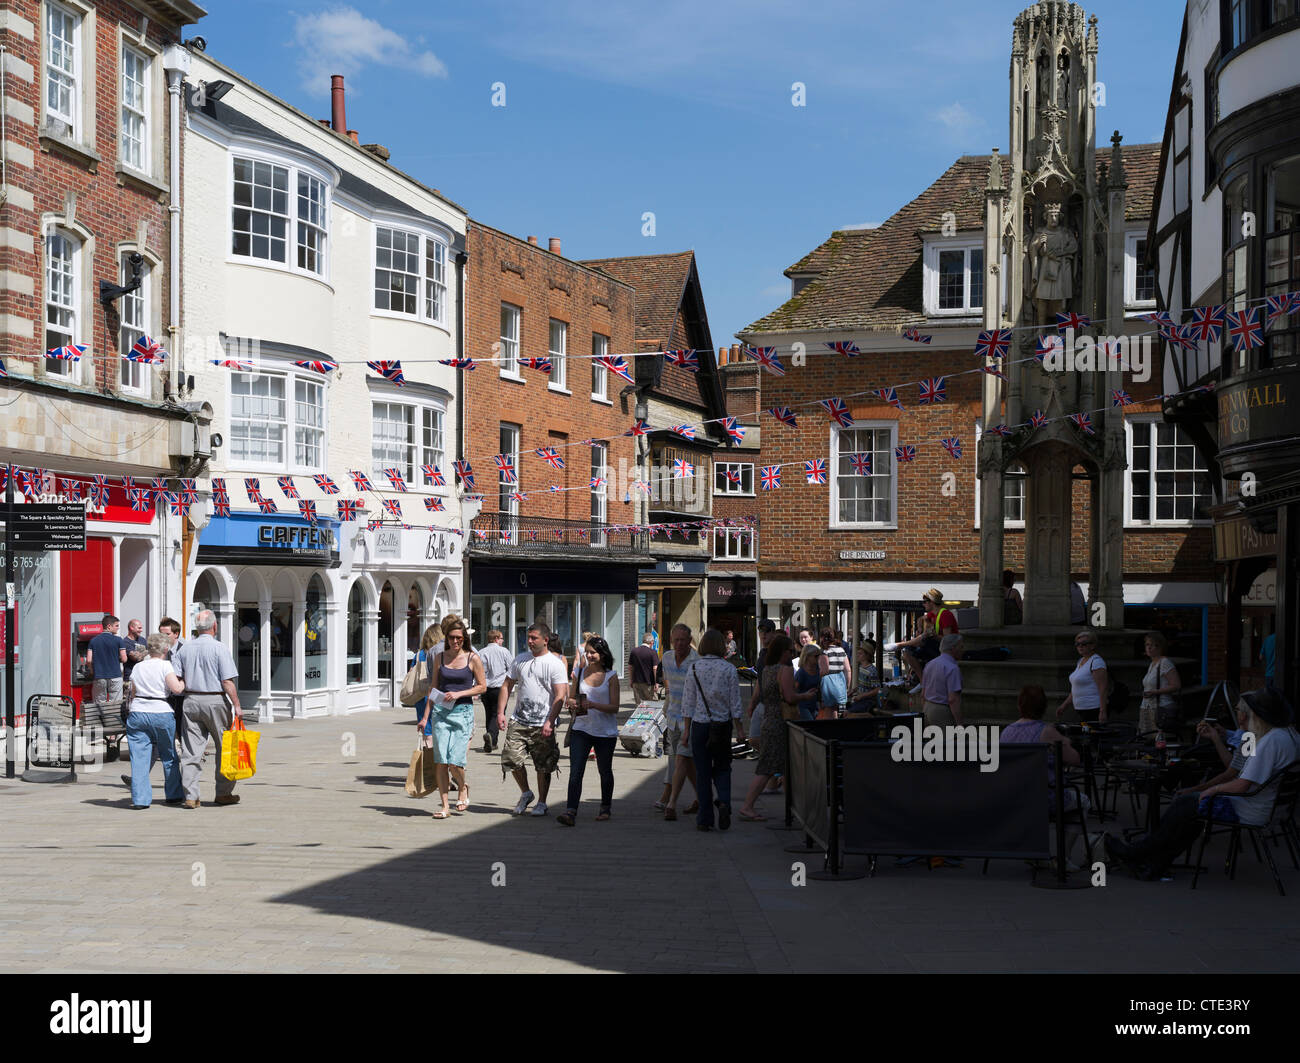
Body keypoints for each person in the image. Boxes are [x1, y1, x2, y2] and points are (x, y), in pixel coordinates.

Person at [1105, 689, 1300, 880]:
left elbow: (1240, 784)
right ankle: (1154, 863)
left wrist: (1212, 790)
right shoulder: (1289, 735)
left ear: (1255, 715)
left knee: (1187, 805)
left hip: (1249, 808)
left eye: (1240, 711)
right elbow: (1237, 771)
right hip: (1273, 808)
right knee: (1192, 810)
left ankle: (1137, 853)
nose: (1238, 714)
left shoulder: (1269, 742)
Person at [171, 609, 243, 808]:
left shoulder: (184, 649)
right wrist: (236, 705)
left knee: (191, 750)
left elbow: (177, 678)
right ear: (215, 626)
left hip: (191, 699)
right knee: (225, 748)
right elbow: (227, 681)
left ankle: (191, 796)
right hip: (215, 700)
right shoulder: (220, 648)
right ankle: (223, 793)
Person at [497, 623, 569, 817]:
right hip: (519, 719)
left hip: (543, 722)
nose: (529, 641)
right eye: (528, 637)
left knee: (543, 764)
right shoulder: (520, 660)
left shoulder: (555, 664)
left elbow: (560, 695)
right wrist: (500, 712)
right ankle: (526, 792)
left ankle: (542, 802)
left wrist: (550, 721)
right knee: (511, 758)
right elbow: (506, 686)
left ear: (545, 640)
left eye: (534, 638)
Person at [681, 629, 745, 831]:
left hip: (700, 726)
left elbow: (688, 702)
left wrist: (685, 730)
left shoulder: (693, 668)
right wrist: (740, 729)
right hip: (722, 726)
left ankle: (705, 818)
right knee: (723, 767)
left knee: (703, 772)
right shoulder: (729, 669)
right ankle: (724, 801)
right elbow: (735, 702)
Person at [423, 615, 486, 819]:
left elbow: (482, 686)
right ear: (446, 637)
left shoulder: (472, 658)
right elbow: (433, 688)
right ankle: (444, 806)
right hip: (441, 713)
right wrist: (425, 718)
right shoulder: (439, 657)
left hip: (462, 713)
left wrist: (460, 693)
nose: (455, 641)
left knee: (455, 762)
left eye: (459, 637)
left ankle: (462, 787)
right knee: (441, 761)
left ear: (464, 638)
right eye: (451, 637)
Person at [557, 636, 621, 826]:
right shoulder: (579, 671)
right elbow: (572, 697)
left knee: (605, 771)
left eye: (593, 652)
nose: (589, 655)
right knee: (575, 771)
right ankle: (570, 811)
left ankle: (605, 808)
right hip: (581, 728)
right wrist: (571, 703)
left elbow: (615, 707)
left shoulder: (611, 676)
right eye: (588, 652)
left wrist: (593, 704)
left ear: (602, 654)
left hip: (605, 732)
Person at [737, 635, 799, 822]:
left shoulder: (767, 669)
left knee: (783, 766)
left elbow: (758, 691)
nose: (792, 654)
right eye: (790, 651)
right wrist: (805, 695)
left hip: (769, 719)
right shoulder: (785, 670)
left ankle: (794, 808)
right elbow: (789, 697)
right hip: (780, 721)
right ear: (783, 652)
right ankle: (748, 806)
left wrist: (752, 705)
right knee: (767, 768)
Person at [123, 633, 186, 809]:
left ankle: (140, 799)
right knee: (169, 755)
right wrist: (184, 681)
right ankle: (173, 794)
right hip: (161, 711)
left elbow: (133, 692)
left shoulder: (138, 667)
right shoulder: (166, 666)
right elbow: (176, 689)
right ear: (166, 649)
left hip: (138, 711)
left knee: (139, 758)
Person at [658, 624, 700, 821]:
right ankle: (703, 797)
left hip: (690, 719)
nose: (680, 644)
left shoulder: (696, 661)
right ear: (671, 641)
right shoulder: (666, 658)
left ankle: (671, 803)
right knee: (686, 763)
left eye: (683, 640)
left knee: (680, 759)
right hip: (672, 716)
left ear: (690, 639)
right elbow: (668, 683)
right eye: (676, 640)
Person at [894, 591, 958, 693]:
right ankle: (923, 681)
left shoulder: (945, 615)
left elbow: (948, 640)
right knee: (907, 652)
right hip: (937, 648)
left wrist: (934, 635)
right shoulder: (932, 614)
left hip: (946, 651)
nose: (923, 604)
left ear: (931, 602)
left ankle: (900, 645)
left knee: (924, 640)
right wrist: (920, 627)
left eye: (924, 602)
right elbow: (920, 619)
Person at [1057, 629, 1108, 723]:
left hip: (1093, 708)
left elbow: (1103, 688)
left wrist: (1102, 711)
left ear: (1092, 645)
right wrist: (1064, 705)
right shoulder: (1081, 661)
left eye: (1084, 644)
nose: (1080, 646)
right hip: (1081, 708)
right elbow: (1075, 688)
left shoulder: (1096, 662)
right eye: (1077, 644)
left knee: (1093, 736)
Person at [477, 628, 513, 753]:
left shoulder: (481, 652)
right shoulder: (504, 652)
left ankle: (491, 738)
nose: (502, 641)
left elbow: (478, 671)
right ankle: (492, 737)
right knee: (497, 714)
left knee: (489, 713)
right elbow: (511, 669)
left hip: (486, 688)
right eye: (502, 638)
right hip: (500, 687)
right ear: (496, 639)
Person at [1139, 631, 1181, 735]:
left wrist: (1155, 692)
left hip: (1161, 709)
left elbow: (1176, 685)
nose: (1149, 648)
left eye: (1154, 645)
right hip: (1147, 708)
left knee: (1159, 740)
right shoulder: (1153, 663)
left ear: (1160, 647)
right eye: (1147, 644)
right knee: (1147, 740)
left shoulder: (1165, 662)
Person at [746, 619, 777, 748]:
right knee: (753, 739)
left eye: (767, 631)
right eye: (761, 631)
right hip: (762, 702)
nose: (763, 634)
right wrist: (752, 703)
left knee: (765, 739)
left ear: (773, 633)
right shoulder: (762, 653)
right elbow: (760, 680)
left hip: (773, 704)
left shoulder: (776, 652)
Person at [921, 633, 964, 725]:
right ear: (953, 648)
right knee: (945, 739)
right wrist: (960, 724)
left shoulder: (929, 664)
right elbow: (953, 699)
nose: (962, 650)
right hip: (942, 712)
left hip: (927, 708)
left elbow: (923, 694)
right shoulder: (952, 668)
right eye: (961, 647)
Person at [87, 614, 129, 706]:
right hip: (115, 676)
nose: (118, 628)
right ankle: (113, 720)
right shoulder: (119, 640)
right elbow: (124, 659)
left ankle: (101, 720)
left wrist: (92, 671)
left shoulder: (93, 641)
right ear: (109, 626)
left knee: (99, 705)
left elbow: (89, 660)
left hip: (99, 677)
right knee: (115, 704)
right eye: (116, 626)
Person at [819, 626, 850, 717]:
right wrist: (847, 685)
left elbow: (823, 670)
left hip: (828, 681)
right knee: (837, 708)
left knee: (829, 709)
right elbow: (848, 670)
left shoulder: (824, 652)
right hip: (840, 680)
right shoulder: (841, 650)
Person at [847, 640, 882, 715]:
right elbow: (862, 685)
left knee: (848, 713)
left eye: (860, 654)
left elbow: (877, 689)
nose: (858, 655)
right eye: (858, 653)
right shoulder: (861, 667)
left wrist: (862, 696)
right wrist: (852, 691)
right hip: (861, 699)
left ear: (867, 655)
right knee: (842, 708)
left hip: (868, 702)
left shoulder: (872, 670)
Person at [794, 644, 823, 722]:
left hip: (813, 705)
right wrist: (796, 709)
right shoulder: (801, 673)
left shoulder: (817, 669)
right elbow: (794, 691)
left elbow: (818, 688)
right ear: (807, 656)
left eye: (818, 655)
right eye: (815, 656)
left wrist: (820, 702)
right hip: (802, 706)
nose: (818, 658)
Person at [628, 632, 659, 704]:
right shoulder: (652, 652)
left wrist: (631, 680)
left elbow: (630, 667)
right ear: (651, 642)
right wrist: (656, 683)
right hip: (649, 684)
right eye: (653, 642)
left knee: (639, 706)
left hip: (636, 682)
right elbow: (655, 668)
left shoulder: (634, 651)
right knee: (652, 705)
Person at [121, 619, 148, 683]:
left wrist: (142, 653)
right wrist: (146, 652)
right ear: (131, 628)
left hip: (142, 676)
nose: (141, 630)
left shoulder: (143, 640)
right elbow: (136, 658)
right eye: (139, 628)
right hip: (130, 677)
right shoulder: (125, 642)